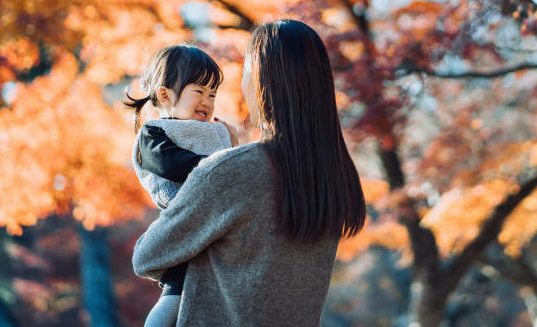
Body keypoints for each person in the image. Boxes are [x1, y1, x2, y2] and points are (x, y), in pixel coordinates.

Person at [132, 20, 367, 327]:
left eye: (244, 73)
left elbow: (148, 257)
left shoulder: (232, 171)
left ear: (261, 83)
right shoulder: (334, 181)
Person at [124, 45, 239, 327]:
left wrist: (233, 146)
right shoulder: (155, 132)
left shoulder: (219, 131)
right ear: (165, 95)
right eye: (199, 92)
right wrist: (219, 163)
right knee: (177, 294)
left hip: (222, 225)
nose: (208, 101)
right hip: (183, 221)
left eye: (213, 94)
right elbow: (171, 165)